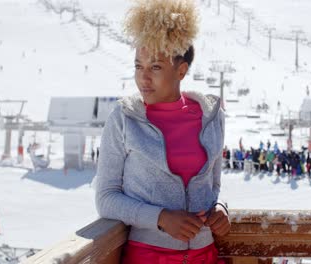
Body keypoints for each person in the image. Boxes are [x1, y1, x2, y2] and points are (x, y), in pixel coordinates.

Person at [94, 1, 228, 263]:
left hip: (205, 255)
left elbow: (213, 187)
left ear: (181, 70)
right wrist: (160, 218)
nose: (143, 78)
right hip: (148, 257)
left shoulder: (211, 117)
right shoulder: (124, 119)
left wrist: (220, 209)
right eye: (138, 67)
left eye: (155, 67)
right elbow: (106, 199)